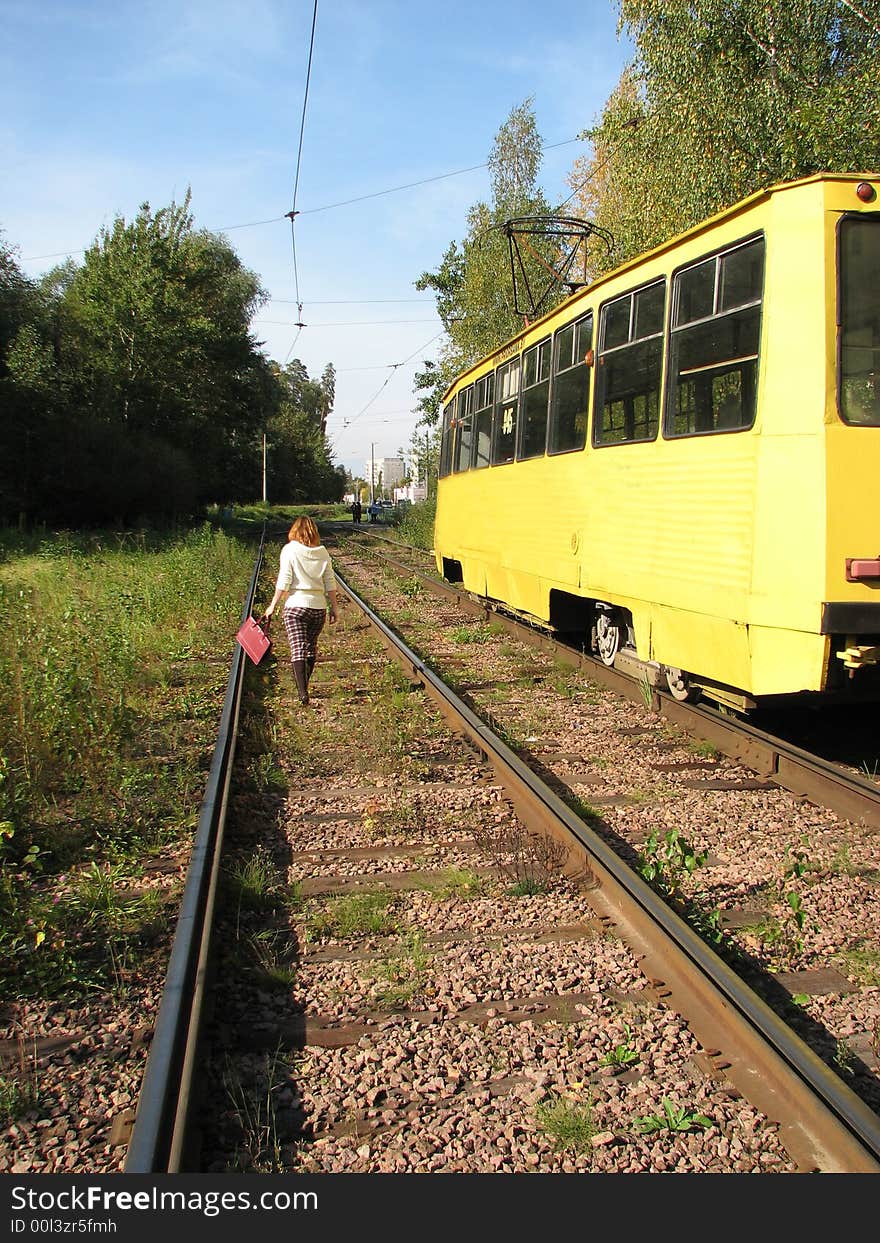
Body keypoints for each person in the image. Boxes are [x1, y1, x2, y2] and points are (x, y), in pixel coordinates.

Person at [263, 516, 338, 706]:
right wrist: (334, 608)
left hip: (295, 607)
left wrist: (272, 605)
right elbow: (330, 583)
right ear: (314, 532)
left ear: (294, 531)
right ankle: (305, 686)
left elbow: (284, 580)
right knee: (310, 648)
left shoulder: (290, 550)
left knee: (298, 649)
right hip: (318, 608)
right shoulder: (323, 553)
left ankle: (303, 692)